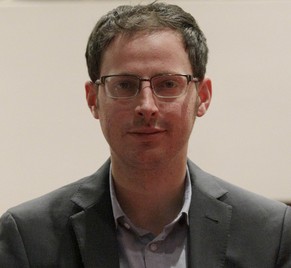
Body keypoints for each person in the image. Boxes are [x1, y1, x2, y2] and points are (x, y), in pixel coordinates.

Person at [0, 2, 290, 267]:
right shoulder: (27, 237)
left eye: (167, 84)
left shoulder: (271, 234)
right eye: (124, 85)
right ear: (93, 99)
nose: (146, 106)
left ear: (202, 96)